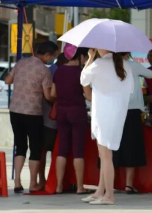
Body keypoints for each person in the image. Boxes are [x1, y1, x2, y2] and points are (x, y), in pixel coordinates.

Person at [80, 48, 134, 205]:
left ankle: (109, 195)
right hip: (117, 113)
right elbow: (130, 90)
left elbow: (83, 79)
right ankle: (100, 191)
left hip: (103, 113)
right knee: (104, 155)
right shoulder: (125, 65)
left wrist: (90, 58)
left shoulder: (99, 63)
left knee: (105, 156)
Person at [4, 41, 58, 193]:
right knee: (35, 148)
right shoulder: (44, 70)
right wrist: (56, 100)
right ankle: (33, 183)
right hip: (33, 113)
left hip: (15, 111)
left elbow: (7, 81)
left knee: (20, 146)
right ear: (47, 55)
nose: (53, 59)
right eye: (53, 56)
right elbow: (47, 96)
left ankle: (17, 182)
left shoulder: (21, 63)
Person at [113, 52, 152, 194]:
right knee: (131, 147)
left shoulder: (110, 66)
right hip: (132, 111)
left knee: (113, 147)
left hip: (114, 111)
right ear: (127, 53)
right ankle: (128, 185)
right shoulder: (133, 65)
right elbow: (151, 74)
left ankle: (109, 183)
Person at [50, 48, 90, 194]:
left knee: (62, 149)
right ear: (80, 57)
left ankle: (59, 186)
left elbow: (53, 93)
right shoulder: (81, 73)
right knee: (78, 150)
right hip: (77, 112)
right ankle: (79, 187)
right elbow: (89, 96)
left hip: (61, 112)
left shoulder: (58, 71)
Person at [39, 53, 69, 190]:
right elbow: (50, 95)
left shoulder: (51, 70)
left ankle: (45, 180)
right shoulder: (55, 72)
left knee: (46, 151)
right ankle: (53, 181)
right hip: (51, 119)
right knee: (52, 151)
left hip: (48, 118)